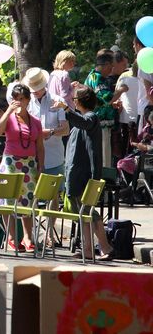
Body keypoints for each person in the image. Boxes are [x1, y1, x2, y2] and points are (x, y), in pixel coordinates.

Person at [62, 85, 115, 260]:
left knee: (89, 212)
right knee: (83, 214)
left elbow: (82, 122)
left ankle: (106, 248)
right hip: (76, 174)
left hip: (85, 175)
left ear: (79, 102)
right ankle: (87, 249)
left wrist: (65, 109)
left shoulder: (91, 118)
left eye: (74, 99)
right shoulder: (83, 120)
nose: (73, 102)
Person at [0, 84, 44, 253]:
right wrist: (7, 112)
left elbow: (40, 146)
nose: (19, 102)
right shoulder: (9, 118)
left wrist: (40, 166)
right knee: (8, 199)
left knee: (27, 200)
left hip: (29, 164)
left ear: (28, 100)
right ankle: (11, 237)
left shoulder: (35, 121)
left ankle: (28, 237)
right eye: (16, 99)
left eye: (22, 99)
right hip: (10, 163)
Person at [24, 68, 69, 178]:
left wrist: (51, 132)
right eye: (32, 88)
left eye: (37, 88)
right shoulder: (26, 103)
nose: (34, 91)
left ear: (44, 85)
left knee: (54, 193)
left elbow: (66, 130)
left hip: (54, 158)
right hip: (31, 158)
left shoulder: (58, 101)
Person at [84, 49, 118, 121]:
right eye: (111, 66)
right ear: (106, 65)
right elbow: (107, 98)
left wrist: (111, 104)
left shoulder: (93, 75)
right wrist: (121, 90)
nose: (112, 69)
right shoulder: (97, 78)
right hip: (98, 121)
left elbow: (100, 100)